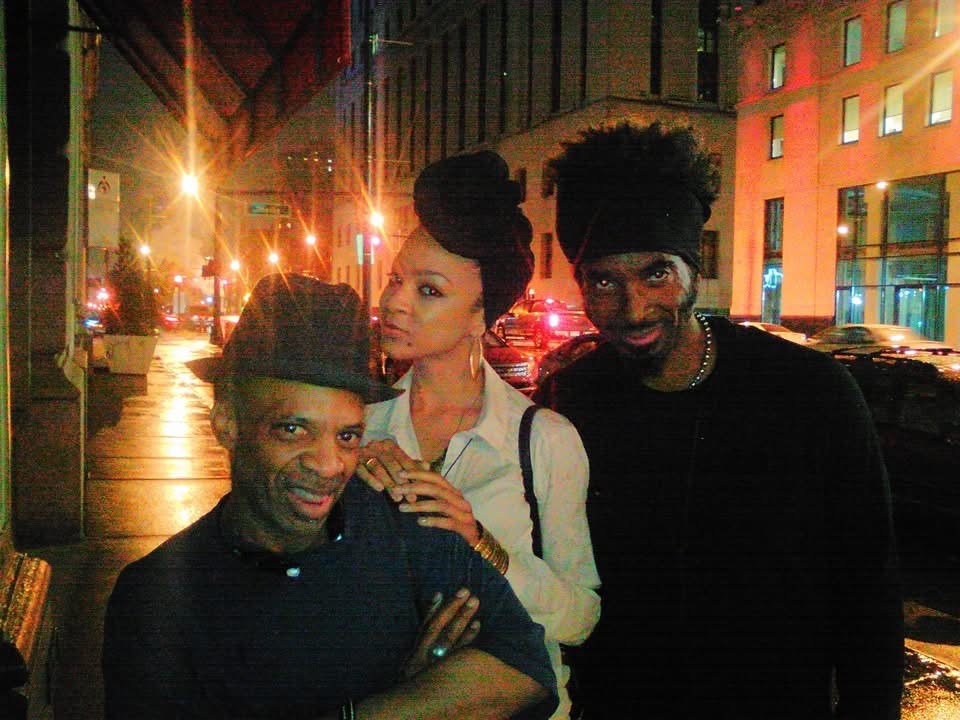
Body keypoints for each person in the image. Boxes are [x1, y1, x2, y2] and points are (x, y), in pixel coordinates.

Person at [532, 122, 904, 718]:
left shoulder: (808, 390)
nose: (634, 308)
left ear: (692, 269)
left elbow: (869, 586)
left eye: (656, 272)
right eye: (604, 281)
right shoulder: (570, 401)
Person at [102, 273, 557, 720]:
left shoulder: (407, 529)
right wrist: (420, 695)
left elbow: (526, 666)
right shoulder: (158, 597)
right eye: (293, 429)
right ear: (227, 425)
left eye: (347, 436)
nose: (328, 465)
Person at [358, 150, 600, 719]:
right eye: (396, 279)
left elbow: (580, 618)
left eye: (429, 290)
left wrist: (479, 541)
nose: (393, 302)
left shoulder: (543, 440)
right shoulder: (363, 426)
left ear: (479, 315)